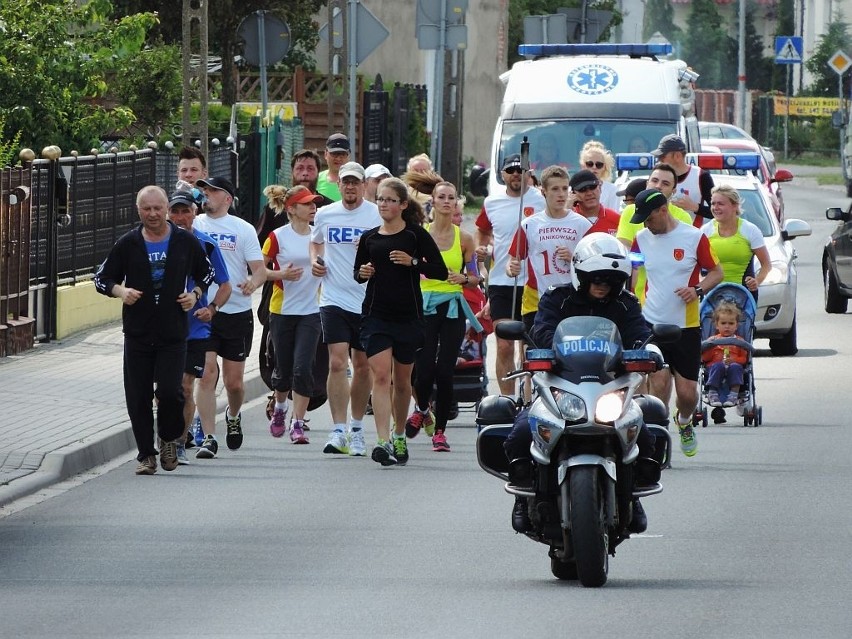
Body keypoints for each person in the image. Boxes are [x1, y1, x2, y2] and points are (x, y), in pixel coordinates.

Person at [503, 233, 653, 534]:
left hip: (609, 384)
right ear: (580, 274)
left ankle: (633, 493)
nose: (602, 285)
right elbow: (541, 328)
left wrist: (647, 350)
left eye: (610, 279)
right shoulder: (556, 297)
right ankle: (522, 495)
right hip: (561, 382)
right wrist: (544, 349)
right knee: (521, 431)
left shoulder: (625, 304)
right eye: (596, 278)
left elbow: (640, 331)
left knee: (645, 432)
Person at [94, 186, 214, 475]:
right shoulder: (129, 243)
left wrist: (195, 294)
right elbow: (101, 279)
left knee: (172, 392)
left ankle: (169, 438)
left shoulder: (185, 241)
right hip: (138, 333)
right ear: (139, 211)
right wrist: (120, 291)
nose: (152, 214)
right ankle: (146, 455)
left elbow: (206, 273)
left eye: (157, 208)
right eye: (146, 209)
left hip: (173, 333)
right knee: (138, 396)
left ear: (166, 210)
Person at [354, 177, 448, 466]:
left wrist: (414, 263)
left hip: (408, 317)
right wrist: (364, 273)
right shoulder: (370, 237)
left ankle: (398, 435)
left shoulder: (415, 236)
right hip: (376, 316)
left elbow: (440, 271)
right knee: (381, 376)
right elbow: (357, 273)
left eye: (390, 200)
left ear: (403, 205)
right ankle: (382, 441)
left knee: (403, 382)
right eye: (380, 199)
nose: (383, 204)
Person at [630, 188, 724, 457]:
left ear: (663, 210)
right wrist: (628, 297)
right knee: (658, 385)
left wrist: (696, 290)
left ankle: (683, 421)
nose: (647, 225)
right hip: (653, 323)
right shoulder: (641, 238)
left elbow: (717, 272)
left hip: (686, 326)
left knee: (687, 393)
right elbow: (633, 269)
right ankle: (656, 443)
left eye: (649, 218)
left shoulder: (694, 237)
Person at [402, 175, 483, 452]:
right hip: (423, 305)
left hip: (452, 307)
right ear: (433, 202)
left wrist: (463, 279)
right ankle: (422, 408)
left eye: (452, 197)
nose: (447, 202)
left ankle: (439, 432)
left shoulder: (465, 238)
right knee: (423, 370)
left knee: (445, 370)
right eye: (442, 197)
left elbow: (476, 277)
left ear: (456, 202)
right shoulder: (418, 235)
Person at [310, 161, 382, 457]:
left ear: (364, 186)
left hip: (366, 300)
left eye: (355, 182)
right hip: (334, 297)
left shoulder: (376, 214)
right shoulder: (326, 214)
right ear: (338, 185)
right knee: (337, 363)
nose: (350, 187)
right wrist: (317, 261)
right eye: (345, 182)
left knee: (362, 365)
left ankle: (355, 428)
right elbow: (315, 243)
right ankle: (337, 429)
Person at [193, 176, 266, 451]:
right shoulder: (195, 224)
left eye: (213, 191)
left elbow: (259, 270)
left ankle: (233, 415)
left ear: (227, 199)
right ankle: (208, 437)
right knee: (207, 372)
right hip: (204, 311)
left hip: (236, 311)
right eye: (205, 190)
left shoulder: (243, 229)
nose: (207, 195)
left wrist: (253, 282)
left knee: (234, 383)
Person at [166, 190, 232, 462]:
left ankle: (179, 443)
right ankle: (166, 438)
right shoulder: (155, 242)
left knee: (184, 385)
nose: (180, 217)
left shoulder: (206, 244)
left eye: (185, 211)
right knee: (164, 391)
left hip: (194, 329)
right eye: (175, 212)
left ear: (196, 212)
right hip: (162, 327)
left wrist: (212, 308)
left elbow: (225, 285)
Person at [474, 153, 546, 396]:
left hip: (533, 282)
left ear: (528, 173)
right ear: (502, 174)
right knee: (504, 344)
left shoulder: (541, 199)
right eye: (511, 170)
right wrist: (482, 252)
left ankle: (529, 398)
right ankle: (507, 400)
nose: (516, 174)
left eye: (520, 170)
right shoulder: (491, 202)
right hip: (502, 282)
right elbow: (482, 231)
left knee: (528, 347)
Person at [263, 186, 325, 444]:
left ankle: (297, 423)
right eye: (307, 204)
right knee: (283, 370)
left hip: (312, 311)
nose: (313, 208)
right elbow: (258, 270)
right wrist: (280, 275)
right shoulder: (277, 236)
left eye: (314, 204)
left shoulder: (319, 236)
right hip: (282, 310)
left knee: (303, 368)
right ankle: (279, 408)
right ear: (291, 209)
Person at [507, 165, 591, 332]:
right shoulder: (529, 225)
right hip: (536, 302)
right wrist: (511, 268)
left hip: (572, 301)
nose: (561, 194)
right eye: (555, 189)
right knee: (537, 355)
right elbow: (512, 262)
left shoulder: (582, 224)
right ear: (543, 191)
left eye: (565, 188)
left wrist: (574, 258)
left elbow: (594, 263)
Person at [616, 164, 694, 301]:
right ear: (647, 184)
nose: (658, 186)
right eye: (654, 180)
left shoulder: (683, 218)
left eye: (665, 183)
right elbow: (624, 251)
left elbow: (680, 258)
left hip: (672, 297)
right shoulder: (630, 211)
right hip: (638, 297)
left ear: (673, 191)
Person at [702, 184, 771, 299]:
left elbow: (766, 265)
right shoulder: (705, 230)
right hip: (712, 295)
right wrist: (701, 283)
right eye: (713, 203)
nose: (715, 207)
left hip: (742, 296)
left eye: (720, 204)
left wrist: (757, 281)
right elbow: (695, 265)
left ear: (735, 206)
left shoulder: (750, 230)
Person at [651, 134, 714, 226]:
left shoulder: (701, 176)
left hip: (691, 236)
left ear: (677, 156)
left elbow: (717, 211)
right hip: (661, 234)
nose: (659, 160)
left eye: (663, 156)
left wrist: (695, 207)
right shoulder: (657, 177)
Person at [702, 302, 749, 407]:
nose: (727, 327)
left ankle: (734, 394)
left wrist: (735, 360)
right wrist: (709, 347)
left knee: (736, 367)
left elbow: (744, 359)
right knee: (717, 366)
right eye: (723, 323)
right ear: (717, 325)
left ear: (736, 325)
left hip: (733, 366)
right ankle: (712, 392)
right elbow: (705, 358)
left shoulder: (739, 341)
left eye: (731, 323)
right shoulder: (713, 340)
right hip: (715, 367)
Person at [569, 169, 621, 236]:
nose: (589, 193)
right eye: (583, 189)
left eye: (592, 187)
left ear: (600, 189)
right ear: (573, 193)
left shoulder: (616, 219)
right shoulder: (569, 219)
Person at [578, 141, 620, 211]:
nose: (594, 167)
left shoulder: (612, 190)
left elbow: (615, 217)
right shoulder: (573, 189)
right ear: (583, 166)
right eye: (590, 164)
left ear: (604, 167)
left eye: (599, 164)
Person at [316, 133, 351, 202]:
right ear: (325, 154)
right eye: (334, 154)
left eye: (342, 154)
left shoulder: (356, 182)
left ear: (349, 155)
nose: (338, 159)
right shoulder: (316, 180)